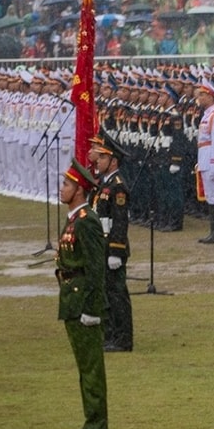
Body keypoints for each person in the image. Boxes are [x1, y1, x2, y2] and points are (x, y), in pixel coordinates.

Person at [56, 160, 109, 429]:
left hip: (83, 303)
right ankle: (91, 423)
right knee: (84, 367)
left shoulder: (87, 220)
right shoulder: (75, 217)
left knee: (91, 368)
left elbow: (95, 268)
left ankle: (97, 427)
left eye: (66, 184)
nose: (61, 189)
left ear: (79, 190)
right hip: (72, 299)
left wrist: (92, 309)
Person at [89, 132, 134, 353]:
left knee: (117, 296)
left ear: (113, 161)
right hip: (102, 246)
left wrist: (116, 250)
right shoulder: (105, 184)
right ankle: (111, 335)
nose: (98, 161)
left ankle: (123, 339)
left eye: (103, 158)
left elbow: (120, 222)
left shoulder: (118, 186)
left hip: (112, 248)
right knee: (107, 294)